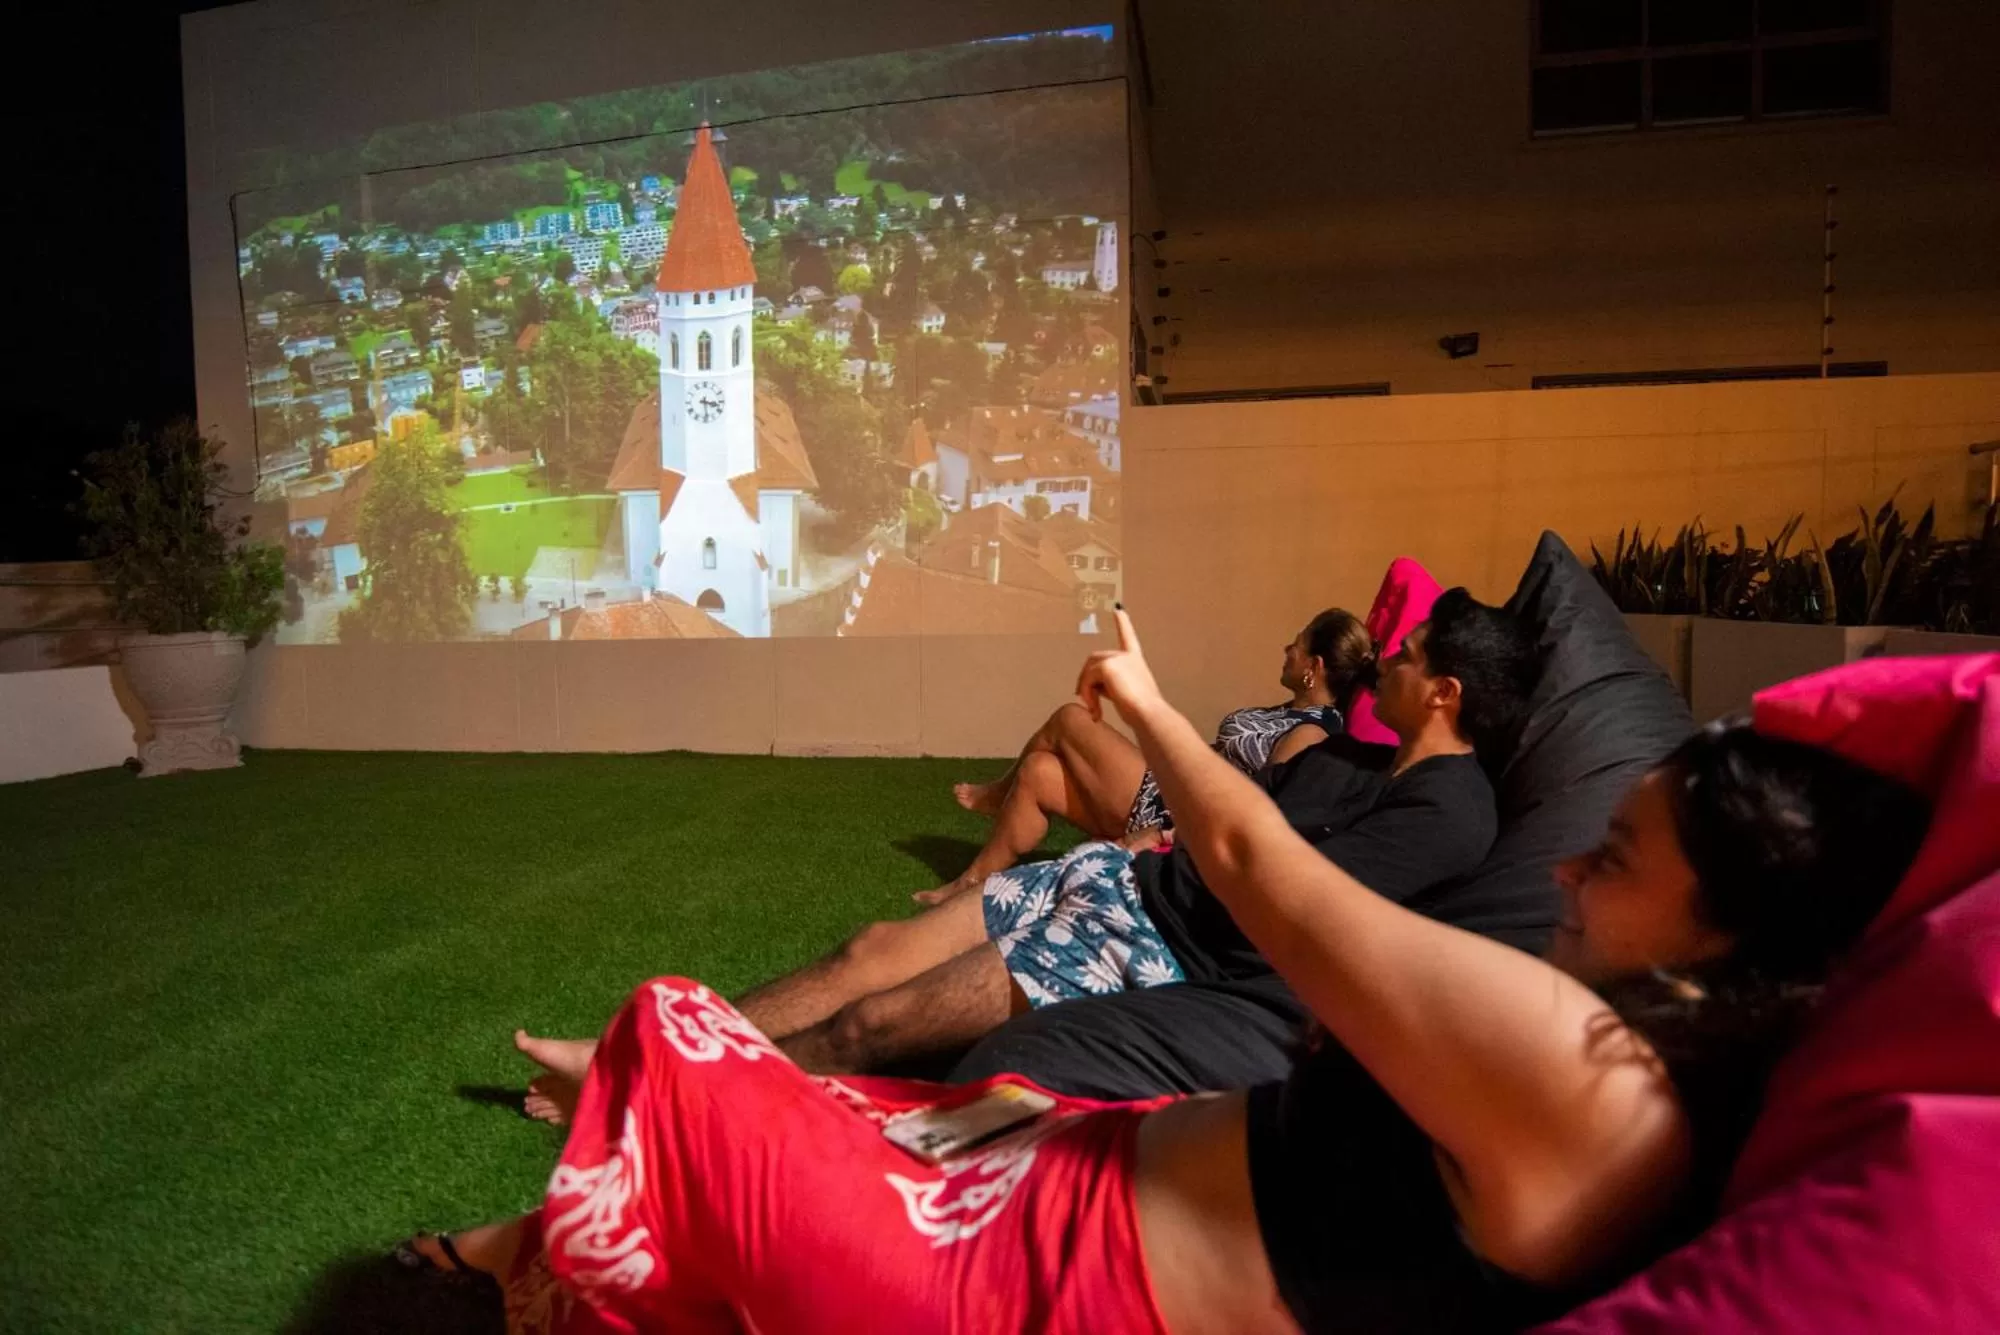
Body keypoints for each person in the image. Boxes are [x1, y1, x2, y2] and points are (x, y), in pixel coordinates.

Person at [403, 610, 1931, 1335]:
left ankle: (561, 1238)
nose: (1565, 871)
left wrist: (1141, 689)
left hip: (1049, 1274)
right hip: (1072, 1172)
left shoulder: (1582, 1076)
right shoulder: (1627, 1079)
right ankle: (513, 1245)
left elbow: (1270, 877)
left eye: (1618, 857)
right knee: (837, 1075)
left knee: (671, 1038)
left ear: (1728, 930)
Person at [512, 591, 1535, 1122]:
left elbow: (1276, 895)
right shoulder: (1369, 763)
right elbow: (1239, 820)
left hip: (1147, 949)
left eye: (1408, 656)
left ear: (1444, 694)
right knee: (865, 951)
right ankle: (623, 1061)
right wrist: (1151, 838)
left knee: (873, 1024)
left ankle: (655, 1116)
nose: (1387, 660)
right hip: (1121, 882)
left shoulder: (1450, 815)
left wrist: (1166, 755)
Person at [919, 607, 1374, 905]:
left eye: (1296, 644)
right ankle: (971, 883)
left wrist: (1164, 832)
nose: (1286, 650)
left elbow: (1260, 809)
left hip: (1168, 810)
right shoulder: (1287, 713)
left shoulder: (1311, 734)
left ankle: (997, 793)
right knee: (1040, 772)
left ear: (1313, 668)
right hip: (1165, 788)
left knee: (1070, 718)